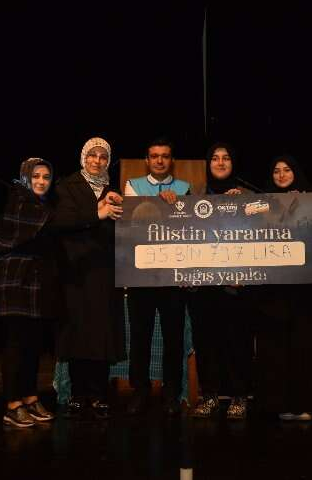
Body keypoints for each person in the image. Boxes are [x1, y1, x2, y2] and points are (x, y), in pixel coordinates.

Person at [255, 155, 312, 421]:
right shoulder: (261, 203)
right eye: (276, 170)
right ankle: (278, 403)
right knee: (275, 347)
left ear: (296, 173)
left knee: (304, 345)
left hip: (305, 291)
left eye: (287, 170)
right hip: (273, 291)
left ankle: (305, 403)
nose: (281, 175)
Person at [53, 137, 125, 420]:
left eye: (103, 157)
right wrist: (99, 212)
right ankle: (77, 393)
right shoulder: (66, 186)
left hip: (104, 272)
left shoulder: (113, 190)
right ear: (83, 157)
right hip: (76, 271)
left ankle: (98, 394)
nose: (97, 161)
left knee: (101, 333)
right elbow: (63, 221)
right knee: (78, 332)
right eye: (92, 155)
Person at [123, 137, 190, 417]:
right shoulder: (132, 185)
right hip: (141, 274)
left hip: (172, 275)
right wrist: (158, 204)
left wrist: (176, 205)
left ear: (171, 160)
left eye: (165, 156)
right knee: (140, 336)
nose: (159, 160)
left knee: (174, 337)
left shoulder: (184, 188)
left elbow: (189, 228)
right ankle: (140, 390)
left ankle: (171, 392)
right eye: (154, 156)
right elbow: (131, 221)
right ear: (147, 160)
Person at [188, 142, 253, 420]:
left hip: (235, 286)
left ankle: (239, 396)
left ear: (233, 163)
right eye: (215, 158)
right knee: (206, 342)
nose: (221, 162)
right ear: (208, 163)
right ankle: (210, 396)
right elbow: (182, 232)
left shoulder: (248, 196)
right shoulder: (194, 195)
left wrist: (243, 207)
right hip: (203, 286)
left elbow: (263, 231)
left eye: (226, 158)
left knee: (237, 341)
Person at [0, 158, 59, 428]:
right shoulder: (20, 200)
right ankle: (12, 404)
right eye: (36, 176)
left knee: (33, 343)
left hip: (37, 279)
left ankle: (30, 397)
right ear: (25, 177)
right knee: (15, 342)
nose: (41, 181)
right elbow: (51, 225)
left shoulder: (44, 204)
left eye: (46, 177)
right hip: (16, 278)